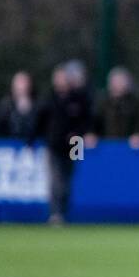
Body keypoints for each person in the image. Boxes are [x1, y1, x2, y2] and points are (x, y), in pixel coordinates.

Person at [35, 61, 94, 225]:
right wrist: (30, 140)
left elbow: (87, 120)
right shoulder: (50, 98)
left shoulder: (79, 98)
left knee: (69, 178)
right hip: (54, 144)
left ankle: (65, 211)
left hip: (76, 142)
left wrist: (81, 133)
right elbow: (39, 121)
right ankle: (55, 213)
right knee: (55, 179)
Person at [96, 66, 139, 147]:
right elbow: (95, 123)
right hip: (106, 147)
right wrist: (92, 134)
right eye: (115, 81)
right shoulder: (102, 104)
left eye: (121, 81)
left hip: (129, 148)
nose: (118, 84)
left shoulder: (138, 104)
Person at [0, 71, 38, 140]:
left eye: (24, 82)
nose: (21, 86)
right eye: (19, 82)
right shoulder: (5, 104)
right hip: (9, 144)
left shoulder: (37, 103)